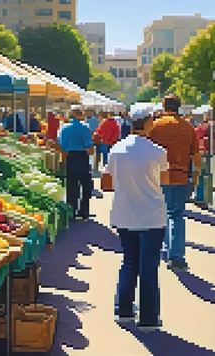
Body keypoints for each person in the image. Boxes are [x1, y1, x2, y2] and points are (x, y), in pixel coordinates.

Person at [101, 108, 167, 332]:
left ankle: (124, 310)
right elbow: (164, 180)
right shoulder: (158, 151)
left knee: (129, 262)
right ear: (148, 123)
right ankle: (148, 318)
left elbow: (106, 183)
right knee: (149, 266)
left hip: (124, 212)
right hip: (151, 215)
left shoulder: (116, 149)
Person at [148, 94, 200, 271]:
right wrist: (196, 177)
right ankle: (176, 256)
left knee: (160, 213)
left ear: (164, 106)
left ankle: (163, 249)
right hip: (181, 175)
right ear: (179, 106)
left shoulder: (155, 126)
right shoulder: (188, 127)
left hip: (159, 176)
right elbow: (196, 155)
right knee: (176, 215)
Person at [58, 105, 94, 221]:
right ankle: (84, 212)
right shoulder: (85, 127)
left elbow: (61, 145)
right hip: (82, 157)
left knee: (71, 186)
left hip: (70, 157)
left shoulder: (64, 128)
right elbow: (90, 147)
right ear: (81, 114)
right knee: (86, 186)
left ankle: (71, 212)